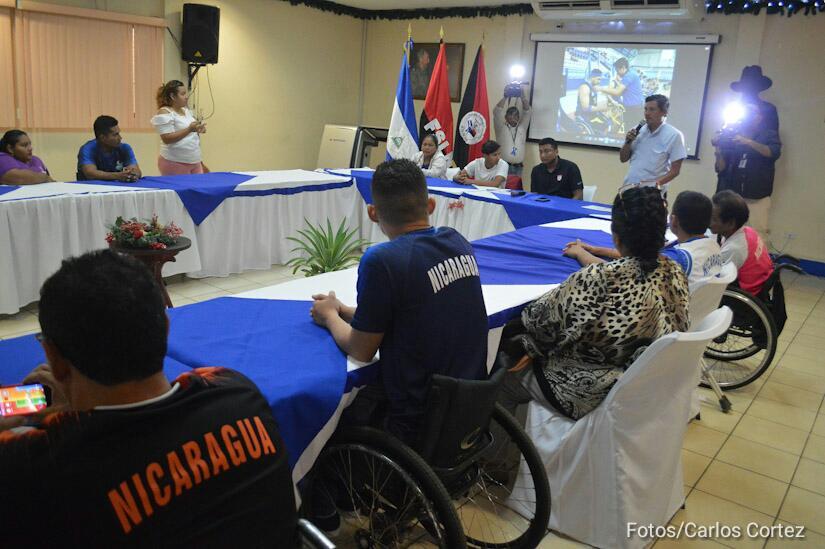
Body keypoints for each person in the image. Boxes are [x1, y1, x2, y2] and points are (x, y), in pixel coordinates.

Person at [0, 250, 297, 546]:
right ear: (165, 329)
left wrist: (71, 413)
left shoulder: (29, 466)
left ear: (53, 358)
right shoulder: (236, 392)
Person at [309, 158, 487, 445]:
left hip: (417, 416)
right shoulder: (457, 241)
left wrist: (329, 316)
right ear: (431, 205)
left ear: (372, 213)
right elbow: (412, 312)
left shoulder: (382, 260)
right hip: (469, 402)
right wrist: (344, 310)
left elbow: (361, 349)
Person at [498, 186, 689, 420]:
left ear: (616, 235)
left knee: (500, 377)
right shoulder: (675, 272)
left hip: (585, 390)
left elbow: (540, 323)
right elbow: (631, 270)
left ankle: (493, 443)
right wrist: (587, 254)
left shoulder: (597, 279)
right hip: (644, 389)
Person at [563, 190, 722, 284]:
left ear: (673, 221)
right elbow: (640, 257)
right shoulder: (713, 245)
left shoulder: (677, 259)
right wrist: (596, 249)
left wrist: (580, 253)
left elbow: (615, 273)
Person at [713, 103, 781, 241]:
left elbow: (772, 152)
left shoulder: (768, 134)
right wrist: (718, 150)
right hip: (733, 195)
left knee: (757, 234)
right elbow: (721, 168)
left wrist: (748, 142)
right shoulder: (733, 135)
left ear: (759, 117)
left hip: (757, 195)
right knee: (729, 233)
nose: (746, 116)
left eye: (750, 113)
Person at [710, 190, 773, 296]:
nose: (709, 222)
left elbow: (714, 283)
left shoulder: (734, 249)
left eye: (714, 219)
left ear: (730, 223)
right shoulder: (749, 231)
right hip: (758, 285)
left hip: (743, 295)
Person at [620, 94, 686, 194]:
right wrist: (627, 142)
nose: (647, 113)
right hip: (629, 187)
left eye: (652, 109)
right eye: (645, 109)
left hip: (652, 193)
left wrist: (654, 185)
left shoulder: (674, 135)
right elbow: (623, 159)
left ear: (664, 112)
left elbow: (675, 171)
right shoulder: (637, 130)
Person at [151, 80, 209, 176]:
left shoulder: (186, 111)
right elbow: (167, 138)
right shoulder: (165, 112)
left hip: (194, 160)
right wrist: (189, 129)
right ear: (173, 96)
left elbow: (192, 133)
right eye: (182, 94)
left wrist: (198, 129)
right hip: (174, 162)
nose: (186, 97)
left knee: (200, 184)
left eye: (186, 93)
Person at [76, 115, 142, 182]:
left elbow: (137, 171)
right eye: (115, 135)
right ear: (103, 138)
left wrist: (132, 175)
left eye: (119, 133)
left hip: (116, 187)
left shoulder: (125, 148)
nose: (120, 138)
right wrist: (118, 176)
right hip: (90, 187)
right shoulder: (87, 149)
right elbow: (90, 174)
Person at [597, 57, 645, 129]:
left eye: (617, 70)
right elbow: (624, 90)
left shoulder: (628, 76)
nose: (617, 73)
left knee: (630, 129)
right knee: (636, 128)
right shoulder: (632, 73)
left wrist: (601, 88)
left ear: (623, 67)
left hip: (634, 109)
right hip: (637, 107)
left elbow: (617, 92)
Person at [493, 88, 531, 176]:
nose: (513, 117)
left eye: (516, 115)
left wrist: (523, 98)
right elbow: (497, 111)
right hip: (503, 166)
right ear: (506, 117)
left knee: (516, 185)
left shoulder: (522, 128)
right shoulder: (500, 127)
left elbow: (527, 112)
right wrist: (505, 97)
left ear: (518, 117)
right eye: (510, 114)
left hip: (518, 167)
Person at [731, 65, 779, 132]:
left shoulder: (769, 109)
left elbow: (773, 135)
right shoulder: (733, 108)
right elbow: (724, 135)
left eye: (753, 87)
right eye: (747, 87)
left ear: (758, 88)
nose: (749, 90)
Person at [575, 68, 609, 134]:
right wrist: (601, 108)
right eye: (598, 79)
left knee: (608, 121)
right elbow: (585, 108)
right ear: (593, 77)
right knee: (606, 125)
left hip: (591, 114)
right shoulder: (585, 87)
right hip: (583, 116)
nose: (599, 81)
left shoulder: (593, 87)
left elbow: (593, 103)